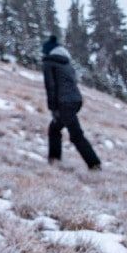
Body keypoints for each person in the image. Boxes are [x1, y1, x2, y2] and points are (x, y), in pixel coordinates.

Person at [41, 36, 101, 169]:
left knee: (76, 135)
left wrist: (53, 109)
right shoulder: (66, 63)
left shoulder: (49, 63)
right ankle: (54, 160)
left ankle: (94, 164)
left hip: (64, 104)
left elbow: (50, 87)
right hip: (76, 101)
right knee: (54, 129)